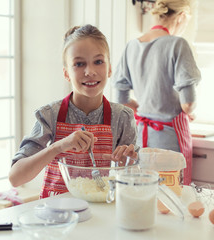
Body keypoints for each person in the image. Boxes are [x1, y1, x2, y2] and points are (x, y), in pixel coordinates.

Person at [9, 24, 139, 198]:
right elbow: (15, 177)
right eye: (79, 64)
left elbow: (135, 183)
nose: (90, 71)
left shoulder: (123, 117)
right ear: (66, 73)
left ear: (109, 69)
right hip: (57, 217)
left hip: (101, 215)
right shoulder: (49, 115)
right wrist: (58, 146)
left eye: (98, 62)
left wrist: (128, 164)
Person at [111, 0, 201, 185]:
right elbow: (188, 104)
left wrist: (145, 107)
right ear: (182, 17)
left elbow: (122, 100)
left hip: (140, 136)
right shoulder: (178, 45)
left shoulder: (132, 46)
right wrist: (189, 112)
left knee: (143, 190)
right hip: (170, 139)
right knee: (170, 193)